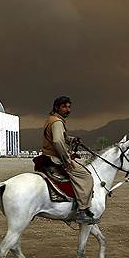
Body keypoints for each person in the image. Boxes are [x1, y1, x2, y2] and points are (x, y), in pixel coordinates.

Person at [41, 96, 97, 225]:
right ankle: (83, 210)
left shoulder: (51, 120)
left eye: (69, 107)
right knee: (86, 176)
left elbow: (61, 137)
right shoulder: (57, 122)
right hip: (55, 158)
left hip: (47, 156)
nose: (68, 109)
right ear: (57, 108)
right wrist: (67, 159)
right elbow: (57, 141)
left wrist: (71, 140)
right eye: (64, 107)